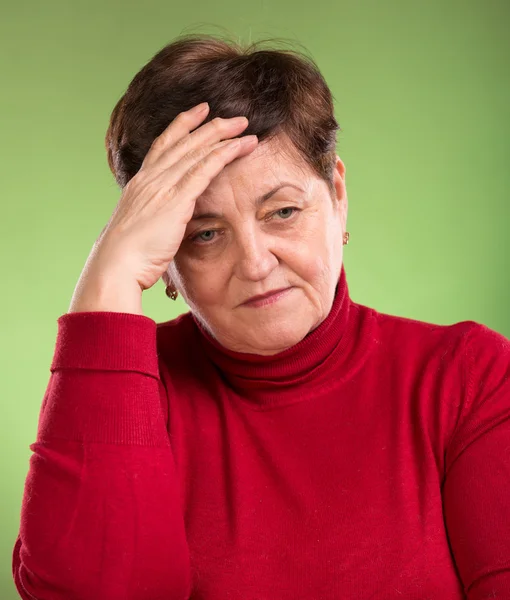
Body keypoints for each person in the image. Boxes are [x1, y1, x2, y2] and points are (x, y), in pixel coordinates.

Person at [12, 33, 510, 600]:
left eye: (283, 211)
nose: (254, 263)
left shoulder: (469, 376)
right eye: (204, 234)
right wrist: (111, 277)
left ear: (338, 195)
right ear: (167, 258)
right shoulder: (123, 390)